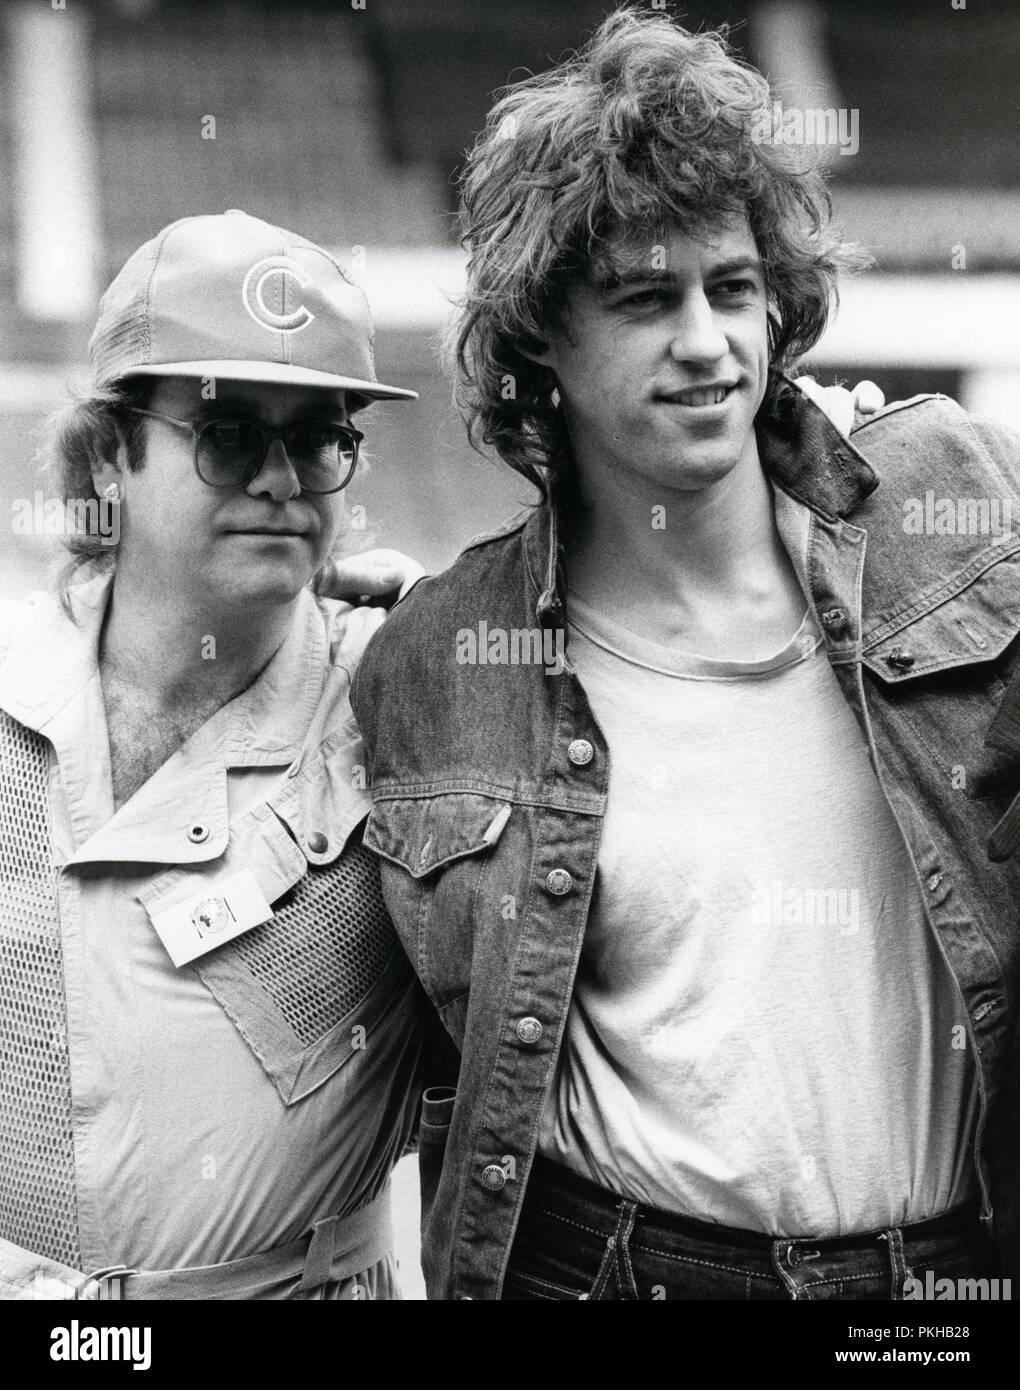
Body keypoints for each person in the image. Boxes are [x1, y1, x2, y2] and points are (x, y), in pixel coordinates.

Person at [349, 10, 1020, 1300]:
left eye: (732, 288)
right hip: (617, 1265)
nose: (708, 342)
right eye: (647, 300)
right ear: (543, 330)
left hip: (949, 1272)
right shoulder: (440, 659)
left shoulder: (951, 509)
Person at [0, 209, 426, 1300]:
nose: (285, 478)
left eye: (323, 436)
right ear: (109, 456)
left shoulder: (407, 696)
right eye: (231, 431)